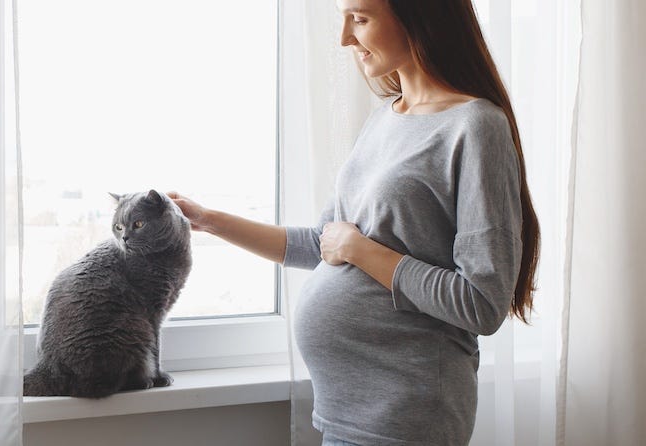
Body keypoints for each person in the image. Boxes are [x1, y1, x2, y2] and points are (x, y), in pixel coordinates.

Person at [169, 0, 540, 444]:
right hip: (345, 416)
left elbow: (480, 303)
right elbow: (324, 246)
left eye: (360, 19)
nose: (345, 38)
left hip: (408, 418)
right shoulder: (384, 119)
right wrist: (208, 220)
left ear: (419, 17)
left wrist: (362, 251)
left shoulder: (475, 126)